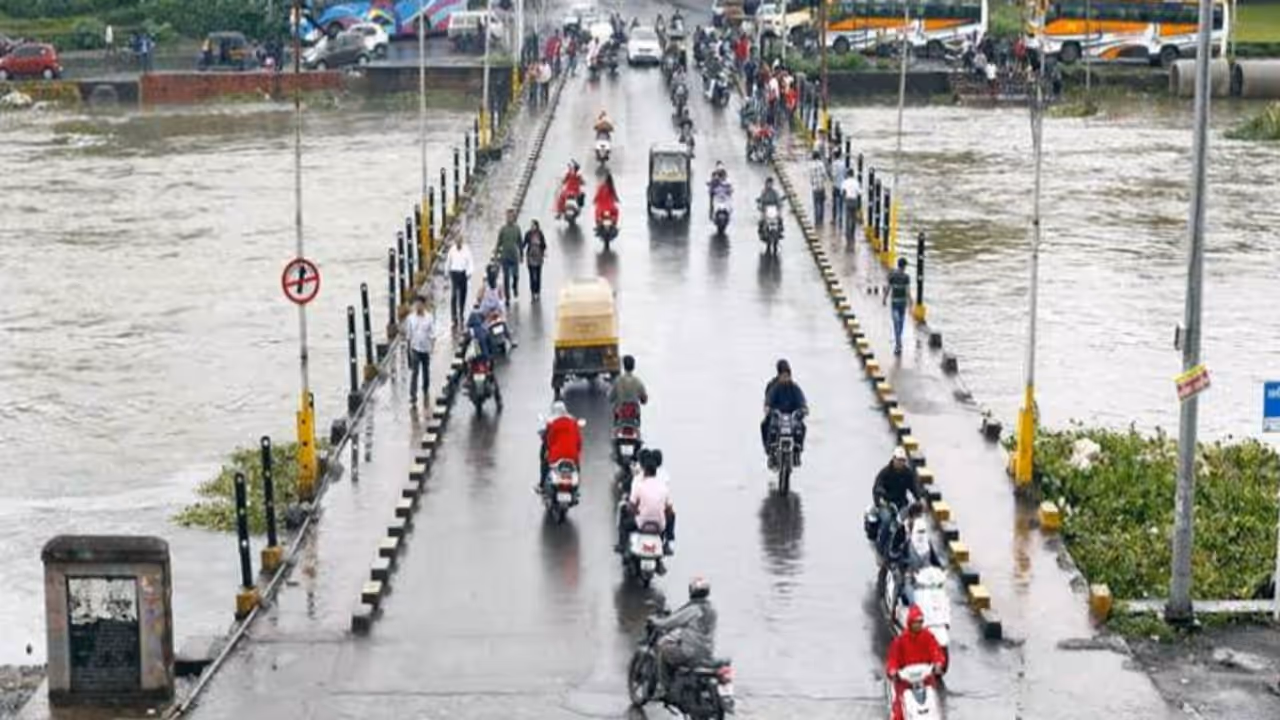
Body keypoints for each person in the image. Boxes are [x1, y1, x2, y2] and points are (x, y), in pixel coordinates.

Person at [651, 577, 716, 691]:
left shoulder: (692, 609)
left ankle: (664, 687)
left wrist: (655, 621)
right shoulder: (712, 610)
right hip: (707, 652)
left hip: (689, 652)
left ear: (692, 591)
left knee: (662, 650)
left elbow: (669, 623)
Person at [885, 605, 945, 720]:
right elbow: (893, 659)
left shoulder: (928, 637)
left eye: (920, 622)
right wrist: (893, 670)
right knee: (898, 712)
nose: (918, 625)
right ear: (910, 622)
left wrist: (938, 663)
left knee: (935, 707)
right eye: (916, 622)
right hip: (905, 684)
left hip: (926, 681)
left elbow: (936, 651)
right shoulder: (900, 641)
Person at [616, 448, 676, 556]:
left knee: (624, 517)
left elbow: (631, 506)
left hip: (641, 522)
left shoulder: (639, 483)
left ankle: (622, 544)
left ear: (645, 469)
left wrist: (635, 510)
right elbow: (669, 509)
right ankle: (669, 542)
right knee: (672, 515)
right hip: (660, 524)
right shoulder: (663, 485)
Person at [873, 446, 925, 560]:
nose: (900, 462)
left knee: (911, 522)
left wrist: (920, 499)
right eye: (898, 460)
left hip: (901, 503)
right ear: (894, 459)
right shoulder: (885, 472)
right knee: (887, 521)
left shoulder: (908, 473)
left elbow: (914, 487)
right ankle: (880, 548)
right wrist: (880, 499)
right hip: (887, 504)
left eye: (903, 460)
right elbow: (877, 487)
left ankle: (909, 548)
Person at [761, 359, 808, 467]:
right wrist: (768, 407)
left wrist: (803, 408)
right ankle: (771, 451)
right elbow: (769, 399)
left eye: (787, 375)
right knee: (768, 426)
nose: (785, 378)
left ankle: (797, 451)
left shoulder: (795, 388)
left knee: (801, 427)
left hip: (792, 416)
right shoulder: (774, 387)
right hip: (777, 416)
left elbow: (801, 400)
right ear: (779, 375)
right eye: (783, 375)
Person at [540, 401, 583, 491]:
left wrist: (549, 450)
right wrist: (577, 452)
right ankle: (577, 488)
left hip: (556, 455)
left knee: (545, 462)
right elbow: (579, 441)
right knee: (577, 466)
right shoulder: (573, 423)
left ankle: (542, 484)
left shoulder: (553, 423)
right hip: (572, 455)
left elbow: (549, 441)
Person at [403, 295, 437, 405]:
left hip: (426, 349)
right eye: (416, 304)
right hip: (415, 349)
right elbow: (408, 336)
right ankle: (413, 395)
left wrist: (432, 347)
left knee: (426, 371)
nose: (418, 306)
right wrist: (408, 351)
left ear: (424, 305)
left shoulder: (429, 318)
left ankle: (425, 388)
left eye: (420, 304)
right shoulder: (410, 318)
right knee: (415, 372)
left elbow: (433, 334)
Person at [885, 257, 912, 355]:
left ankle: (898, 343)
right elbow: (908, 291)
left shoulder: (892, 276)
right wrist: (911, 302)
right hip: (902, 304)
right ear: (904, 266)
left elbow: (888, 288)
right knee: (900, 324)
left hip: (895, 304)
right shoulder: (906, 277)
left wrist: (884, 298)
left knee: (897, 323)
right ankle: (898, 343)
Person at [446, 235, 474, 327]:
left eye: (460, 242)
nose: (458, 244)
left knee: (463, 294)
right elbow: (448, 261)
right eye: (457, 242)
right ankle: (453, 316)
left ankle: (461, 313)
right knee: (454, 295)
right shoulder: (452, 250)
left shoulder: (466, 250)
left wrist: (469, 272)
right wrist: (447, 272)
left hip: (463, 273)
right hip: (454, 273)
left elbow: (470, 262)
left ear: (462, 242)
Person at [608, 354, 648, 418]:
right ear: (633, 367)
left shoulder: (618, 381)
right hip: (634, 415)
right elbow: (644, 399)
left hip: (620, 414)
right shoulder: (638, 381)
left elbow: (610, 398)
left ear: (624, 366)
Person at [497, 209, 522, 303]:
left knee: (516, 275)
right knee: (506, 277)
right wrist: (496, 255)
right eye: (508, 217)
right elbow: (498, 242)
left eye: (511, 217)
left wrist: (521, 254)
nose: (509, 218)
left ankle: (515, 287)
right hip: (505, 256)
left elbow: (520, 242)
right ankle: (507, 297)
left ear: (514, 218)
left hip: (514, 256)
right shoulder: (503, 229)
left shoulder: (517, 229)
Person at [522, 219, 547, 300]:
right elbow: (524, 244)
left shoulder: (540, 234)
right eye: (531, 225)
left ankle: (538, 291)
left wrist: (541, 248)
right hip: (530, 257)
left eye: (533, 225)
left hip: (538, 257)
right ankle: (532, 291)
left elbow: (544, 245)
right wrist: (520, 250)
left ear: (536, 226)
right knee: (532, 275)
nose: (532, 227)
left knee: (538, 275)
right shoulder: (528, 234)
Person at [808, 148, 828, 226]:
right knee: (821, 204)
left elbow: (810, 177)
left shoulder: (811, 166)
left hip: (815, 187)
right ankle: (821, 220)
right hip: (821, 186)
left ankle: (817, 220)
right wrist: (824, 180)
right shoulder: (821, 164)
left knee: (816, 204)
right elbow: (824, 175)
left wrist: (812, 183)